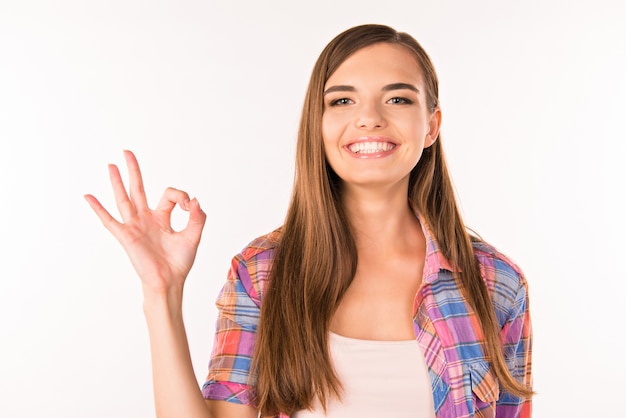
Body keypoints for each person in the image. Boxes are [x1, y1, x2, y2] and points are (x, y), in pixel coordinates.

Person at [85, 24, 533, 418]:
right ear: (317, 125)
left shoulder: (496, 282)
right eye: (342, 100)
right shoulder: (264, 272)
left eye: (397, 98)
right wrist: (161, 291)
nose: (370, 119)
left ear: (431, 126)